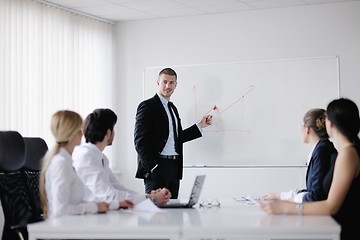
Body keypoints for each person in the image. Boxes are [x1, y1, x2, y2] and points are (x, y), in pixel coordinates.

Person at [260, 98, 360, 240]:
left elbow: (331, 206)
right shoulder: (348, 151)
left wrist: (285, 207)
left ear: (330, 124)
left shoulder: (348, 154)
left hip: (346, 231)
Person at [134, 67, 212, 199]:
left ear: (176, 85)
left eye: (171, 83)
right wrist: (153, 167)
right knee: (156, 213)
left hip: (174, 168)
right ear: (158, 83)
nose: (167, 86)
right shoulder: (147, 106)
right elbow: (139, 141)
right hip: (157, 167)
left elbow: (177, 137)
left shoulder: (173, 109)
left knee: (174, 213)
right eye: (164, 82)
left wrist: (200, 125)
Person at [72, 108, 171, 207]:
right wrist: (151, 199)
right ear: (108, 133)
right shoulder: (86, 156)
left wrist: (150, 196)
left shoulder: (100, 157)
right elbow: (109, 195)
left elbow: (118, 188)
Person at [39, 110, 108, 218]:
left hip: (72, 224)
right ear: (71, 134)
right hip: (64, 228)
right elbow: (60, 210)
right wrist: (94, 207)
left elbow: (75, 202)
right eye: (79, 130)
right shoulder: (60, 163)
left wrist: (103, 205)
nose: (82, 134)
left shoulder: (66, 161)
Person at [261, 108, 337, 203]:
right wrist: (279, 196)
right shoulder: (322, 148)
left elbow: (315, 196)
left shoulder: (322, 151)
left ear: (307, 129)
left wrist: (290, 201)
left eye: (301, 126)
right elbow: (311, 191)